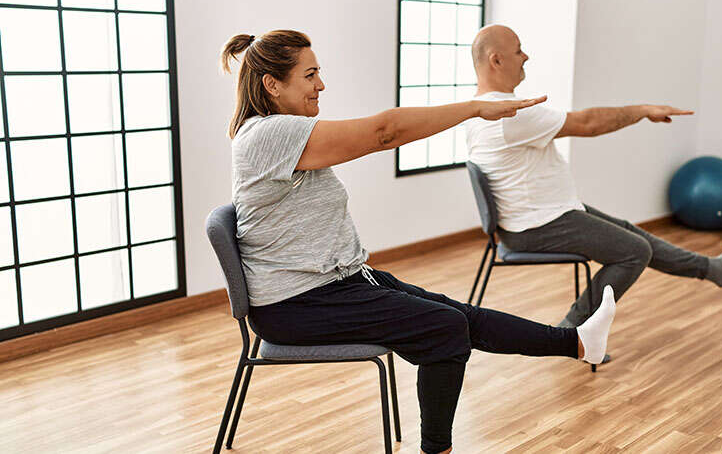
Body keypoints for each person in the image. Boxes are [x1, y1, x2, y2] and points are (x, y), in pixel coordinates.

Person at [221, 29, 617, 454]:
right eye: (310, 75)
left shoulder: (289, 131)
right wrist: (473, 108)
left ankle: (577, 342)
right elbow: (384, 133)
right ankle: (436, 450)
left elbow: (381, 132)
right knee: (444, 329)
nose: (321, 85)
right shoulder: (268, 135)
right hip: (294, 304)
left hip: (337, 283)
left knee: (457, 314)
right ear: (272, 84)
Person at [465, 25, 722, 330]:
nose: (526, 56)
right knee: (634, 251)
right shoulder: (510, 114)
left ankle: (712, 269)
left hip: (542, 214)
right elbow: (588, 124)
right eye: (519, 49)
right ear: (496, 60)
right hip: (537, 224)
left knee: (631, 235)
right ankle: (571, 331)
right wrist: (643, 110)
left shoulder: (483, 110)